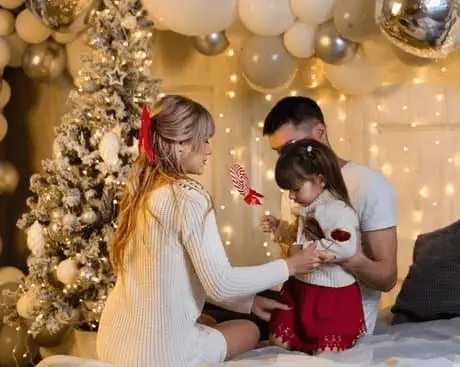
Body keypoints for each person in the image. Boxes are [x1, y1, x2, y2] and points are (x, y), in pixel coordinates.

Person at [96, 95, 322, 367]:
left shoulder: (140, 193)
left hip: (111, 344)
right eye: (204, 141)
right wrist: (290, 265)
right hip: (159, 358)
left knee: (209, 319)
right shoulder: (187, 196)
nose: (208, 150)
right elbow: (220, 283)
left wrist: (249, 303)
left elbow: (193, 280)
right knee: (249, 329)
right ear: (180, 144)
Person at [262, 96, 398, 335]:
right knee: (236, 307)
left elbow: (387, 278)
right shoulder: (296, 189)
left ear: (320, 132)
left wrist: (348, 257)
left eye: (289, 146)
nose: (284, 158)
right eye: (278, 152)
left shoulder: (369, 184)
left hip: (342, 315)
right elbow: (296, 253)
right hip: (303, 301)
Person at [262, 139, 365, 354]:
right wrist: (280, 228)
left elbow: (344, 246)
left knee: (324, 350)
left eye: (295, 189)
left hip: (329, 294)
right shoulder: (310, 207)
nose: (291, 196)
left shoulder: (336, 210)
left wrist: (302, 252)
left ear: (320, 179)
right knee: (279, 340)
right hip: (301, 286)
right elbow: (299, 235)